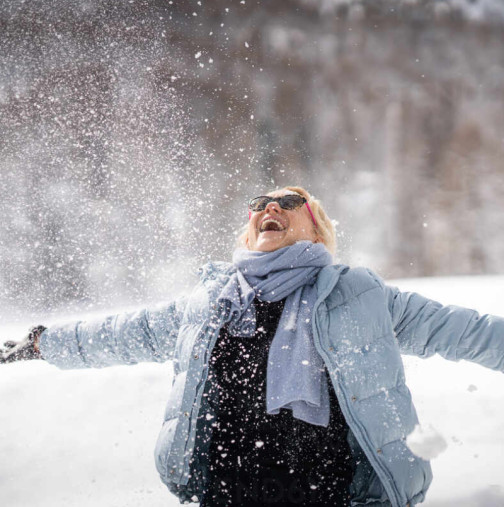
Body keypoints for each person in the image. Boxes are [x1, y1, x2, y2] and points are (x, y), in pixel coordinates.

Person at [1, 185, 504, 507]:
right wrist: (44, 343)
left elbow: (466, 331)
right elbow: (127, 331)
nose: (270, 207)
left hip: (326, 494)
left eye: (288, 202)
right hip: (225, 492)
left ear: (316, 227)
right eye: (260, 204)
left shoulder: (357, 294)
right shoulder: (212, 302)